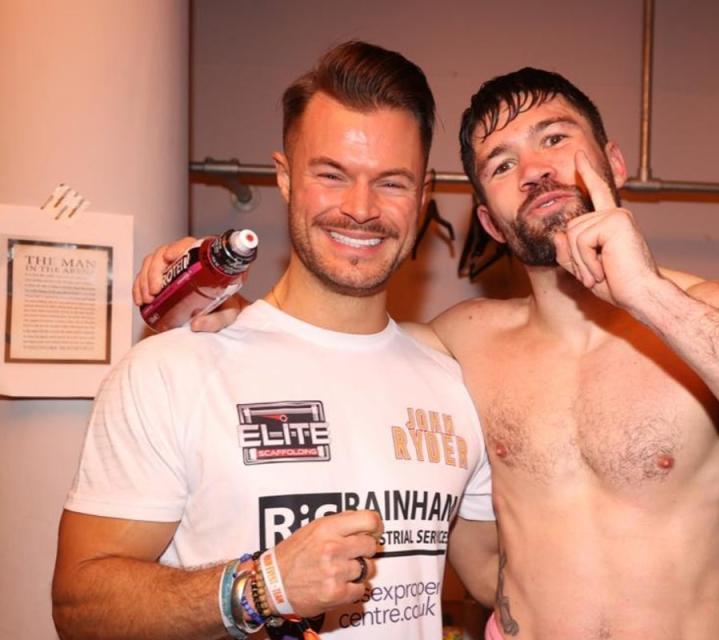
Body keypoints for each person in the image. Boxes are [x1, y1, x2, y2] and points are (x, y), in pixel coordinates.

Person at [136, 68, 719, 640]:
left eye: (556, 139)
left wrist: (649, 298)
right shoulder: (464, 344)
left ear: (616, 164)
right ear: (494, 225)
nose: (533, 169)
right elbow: (335, 343)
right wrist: (222, 310)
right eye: (501, 164)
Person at [51, 42, 498, 640]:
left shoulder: (454, 383)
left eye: (391, 182)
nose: (360, 209)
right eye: (331, 174)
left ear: (423, 196)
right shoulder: (176, 366)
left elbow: (498, 576)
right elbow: (79, 607)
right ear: (285, 178)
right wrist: (261, 587)